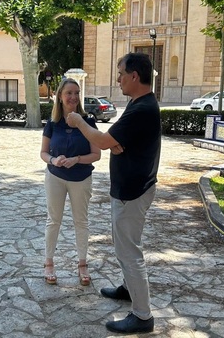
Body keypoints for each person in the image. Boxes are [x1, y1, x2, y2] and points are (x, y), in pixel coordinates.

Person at [66, 52, 160, 334]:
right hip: (132, 188)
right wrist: (112, 142)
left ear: (134, 76)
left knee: (129, 252)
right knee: (125, 247)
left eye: (121, 74)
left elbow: (105, 140)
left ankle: (142, 316)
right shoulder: (138, 104)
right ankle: (129, 288)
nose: (118, 79)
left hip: (133, 191)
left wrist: (79, 123)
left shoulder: (142, 108)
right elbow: (115, 140)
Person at [40, 79, 101, 286]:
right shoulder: (52, 123)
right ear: (60, 96)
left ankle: (82, 264)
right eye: (69, 93)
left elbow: (96, 154)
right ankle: (49, 263)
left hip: (81, 178)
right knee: (53, 220)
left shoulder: (88, 122)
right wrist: (53, 160)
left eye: (76, 92)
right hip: (55, 177)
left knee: (81, 221)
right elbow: (43, 152)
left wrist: (77, 159)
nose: (73, 97)